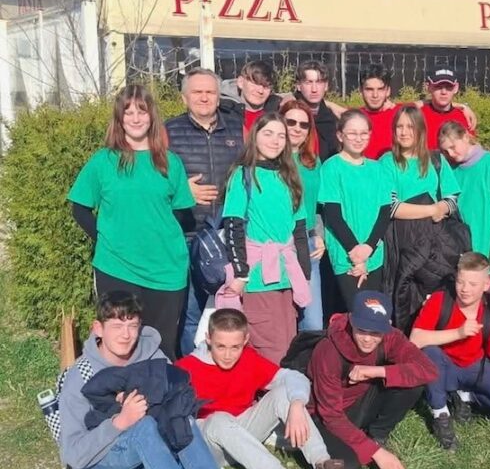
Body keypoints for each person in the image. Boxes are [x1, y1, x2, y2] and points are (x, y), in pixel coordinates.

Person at [58, 292, 264, 469]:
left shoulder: (153, 357)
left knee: (179, 413)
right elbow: (74, 455)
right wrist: (119, 422)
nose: (126, 335)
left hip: (145, 453)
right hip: (96, 464)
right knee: (143, 425)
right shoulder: (79, 376)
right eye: (117, 326)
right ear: (98, 328)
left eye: (133, 325)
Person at [176, 308, 358, 469]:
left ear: (245, 340)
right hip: (210, 441)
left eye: (235, 347)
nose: (227, 355)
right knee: (218, 419)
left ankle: (325, 467)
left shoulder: (248, 358)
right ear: (208, 339)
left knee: (285, 394)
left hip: (242, 429)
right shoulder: (187, 368)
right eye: (221, 346)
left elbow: (292, 377)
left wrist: (297, 404)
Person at [68, 85, 195, 360]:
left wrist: (158, 237)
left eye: (142, 111)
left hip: (166, 270)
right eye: (128, 112)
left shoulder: (170, 163)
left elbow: (183, 214)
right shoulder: (103, 161)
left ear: (152, 116)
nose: (136, 118)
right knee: (118, 347)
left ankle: (157, 390)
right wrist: (108, 240)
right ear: (119, 118)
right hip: (117, 267)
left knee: (161, 349)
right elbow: (79, 209)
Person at [309, 290, 438, 469]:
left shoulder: (391, 337)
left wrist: (376, 371)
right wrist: (376, 453)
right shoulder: (328, 351)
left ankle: (377, 435)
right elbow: (331, 415)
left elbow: (428, 370)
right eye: (362, 330)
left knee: (412, 381)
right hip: (324, 416)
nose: (368, 339)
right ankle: (363, 446)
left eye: (375, 332)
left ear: (387, 326)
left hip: (358, 402)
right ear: (351, 322)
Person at [410, 252, 490, 451]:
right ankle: (441, 415)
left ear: (486, 285)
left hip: (473, 368)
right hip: (443, 367)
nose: (465, 289)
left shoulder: (488, 314)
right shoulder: (441, 300)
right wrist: (458, 333)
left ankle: (464, 396)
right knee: (430, 352)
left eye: (473, 284)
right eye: (460, 282)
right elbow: (415, 339)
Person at [220, 113, 311, 364]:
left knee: (289, 344)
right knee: (270, 349)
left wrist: (304, 274)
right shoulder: (244, 175)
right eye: (268, 133)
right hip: (258, 277)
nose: (275, 140)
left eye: (281, 135)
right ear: (255, 136)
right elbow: (233, 225)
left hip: (286, 277)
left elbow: (300, 229)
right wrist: (241, 273)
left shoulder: (289, 176)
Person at [167, 68, 245, 356]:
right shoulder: (168, 132)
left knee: (229, 314)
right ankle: (194, 372)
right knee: (191, 314)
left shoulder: (238, 129)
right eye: (197, 92)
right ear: (184, 98)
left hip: (227, 237)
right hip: (187, 235)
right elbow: (152, 182)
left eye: (210, 92)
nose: (204, 97)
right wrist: (182, 191)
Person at [379, 105, 464, 331]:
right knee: (403, 303)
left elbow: (452, 200)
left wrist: (442, 207)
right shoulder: (387, 162)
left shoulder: (436, 160)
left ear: (420, 129)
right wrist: (432, 210)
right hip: (402, 245)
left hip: (435, 246)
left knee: (435, 305)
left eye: (410, 126)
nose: (404, 132)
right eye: (399, 126)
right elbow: (392, 207)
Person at [319, 110, 391, 310]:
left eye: (363, 133)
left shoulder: (377, 168)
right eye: (352, 133)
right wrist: (355, 253)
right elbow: (333, 215)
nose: (358, 139)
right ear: (340, 135)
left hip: (374, 255)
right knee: (356, 313)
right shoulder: (331, 167)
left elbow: (384, 212)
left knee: (375, 315)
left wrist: (369, 247)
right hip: (346, 255)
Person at [438, 121, 490, 276]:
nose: (451, 154)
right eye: (446, 151)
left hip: (489, 254)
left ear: (466, 137)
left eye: (453, 147)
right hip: (460, 256)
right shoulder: (449, 170)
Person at [357, 65, 477, 159]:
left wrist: (462, 106)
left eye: (380, 89)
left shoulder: (403, 112)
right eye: (369, 89)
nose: (375, 95)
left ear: (388, 91)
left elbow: (471, 151)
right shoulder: (354, 118)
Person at [281, 100, 326, 331]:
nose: (297, 128)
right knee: (282, 321)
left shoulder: (313, 163)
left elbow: (317, 206)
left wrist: (319, 235)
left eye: (303, 124)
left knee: (313, 322)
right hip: (277, 244)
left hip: (307, 244)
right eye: (291, 122)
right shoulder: (268, 160)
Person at [219, 60, 282, 136]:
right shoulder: (223, 111)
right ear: (241, 82)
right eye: (255, 83)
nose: (260, 91)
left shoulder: (278, 111)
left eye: (266, 86)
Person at [293, 61, 339, 161]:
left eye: (319, 82)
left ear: (326, 86)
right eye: (308, 82)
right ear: (299, 86)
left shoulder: (333, 121)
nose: (314, 89)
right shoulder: (289, 116)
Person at [420, 69, 472, 151]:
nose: (444, 92)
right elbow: (398, 107)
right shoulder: (418, 114)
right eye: (438, 87)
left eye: (448, 87)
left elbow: (471, 150)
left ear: (456, 88)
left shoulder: (464, 117)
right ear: (428, 87)